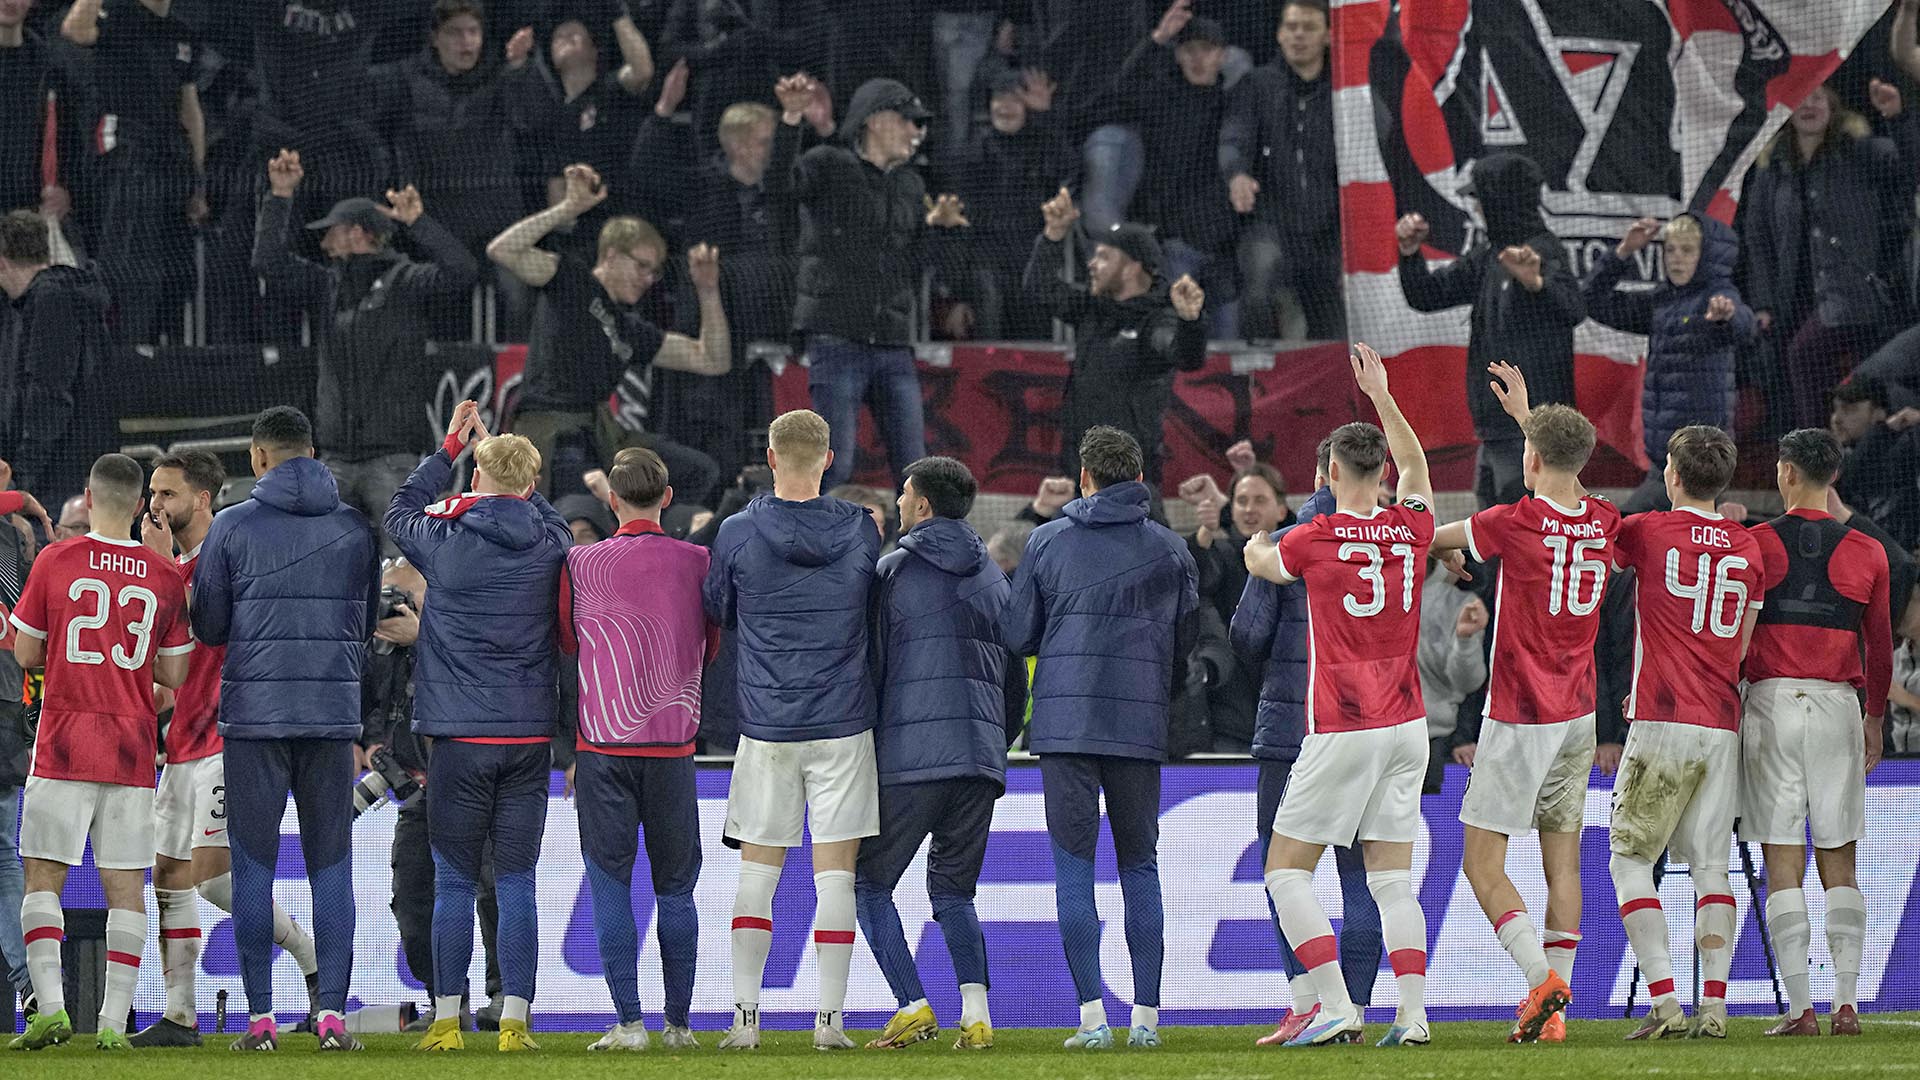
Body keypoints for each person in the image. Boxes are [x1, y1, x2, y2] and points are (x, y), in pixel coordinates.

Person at [1239, 342, 1434, 1047]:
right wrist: (1383, 397)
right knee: (1390, 880)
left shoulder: (1313, 538)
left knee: (1285, 870)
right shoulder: (1412, 527)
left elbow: (1263, 560)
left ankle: (1334, 1004)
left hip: (1344, 726)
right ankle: (1411, 1016)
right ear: (1381, 476)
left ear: (1328, 474)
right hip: (1410, 726)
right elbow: (1415, 465)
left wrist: (1257, 545)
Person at [1428, 362, 1618, 1043]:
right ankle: (1556, 1018)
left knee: (1482, 862)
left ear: (1530, 461)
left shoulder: (1514, 520)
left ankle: (1542, 982)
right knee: (1562, 864)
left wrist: (1446, 553)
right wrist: (1530, 422)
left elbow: (1429, 537)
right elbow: (1572, 477)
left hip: (1520, 715)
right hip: (1579, 715)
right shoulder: (1605, 519)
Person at [998, 425, 1199, 1050]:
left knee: (1073, 868)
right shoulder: (1171, 549)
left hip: (1064, 726)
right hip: (1138, 726)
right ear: (1138, 479)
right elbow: (1184, 643)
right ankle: (1146, 1019)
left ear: (1084, 477)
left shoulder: (1047, 540)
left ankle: (1091, 1019)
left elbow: (1017, 633)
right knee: (1140, 865)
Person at [191, 406, 380, 1051]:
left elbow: (209, 626)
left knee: (253, 870)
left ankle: (261, 1023)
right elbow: (363, 627)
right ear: (313, 452)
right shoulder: (356, 527)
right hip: (330, 719)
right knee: (332, 869)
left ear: (257, 456)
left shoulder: (229, 526)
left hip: (254, 722)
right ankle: (331, 1020)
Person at [384, 400, 569, 1052]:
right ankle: (515, 1019)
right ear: (532, 484)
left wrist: (453, 450)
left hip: (458, 736)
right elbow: (543, 513)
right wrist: (505, 460)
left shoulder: (446, 541)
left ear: (479, 481)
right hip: (525, 736)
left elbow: (398, 509)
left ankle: (446, 1021)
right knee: (516, 880)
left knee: (455, 880)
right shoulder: (550, 541)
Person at [703, 409, 882, 1051]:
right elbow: (875, 609)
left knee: (759, 873)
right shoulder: (863, 529)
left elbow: (716, 609)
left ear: (772, 458)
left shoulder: (737, 531)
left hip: (768, 723)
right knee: (835, 876)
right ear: (828, 459)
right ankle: (829, 1022)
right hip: (844, 722)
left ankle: (745, 1022)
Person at [132, 450, 321, 1047]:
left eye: (167, 494)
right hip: (182, 741)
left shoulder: (228, 551)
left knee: (214, 881)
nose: (155, 506)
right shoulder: (174, 565)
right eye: (152, 494)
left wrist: (163, 570)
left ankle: (313, 959)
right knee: (168, 875)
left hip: (228, 736)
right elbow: (176, 666)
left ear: (203, 498)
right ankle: (180, 1016)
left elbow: (209, 627)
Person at [9, 453, 193, 1050]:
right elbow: (176, 672)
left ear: (88, 497)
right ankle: (114, 1026)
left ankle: (52, 1011)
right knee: (124, 887)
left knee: (42, 876)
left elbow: (26, 655)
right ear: (141, 504)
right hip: (131, 747)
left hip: (63, 739)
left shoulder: (55, 560)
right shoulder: (165, 577)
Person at [1605, 426, 1767, 1041]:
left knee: (1629, 860)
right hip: (1721, 723)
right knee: (1712, 869)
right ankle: (1717, 1008)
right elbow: (1742, 649)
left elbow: (1596, 540)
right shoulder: (1749, 549)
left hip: (1663, 719)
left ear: (1672, 475)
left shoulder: (1648, 530)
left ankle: (1667, 1002)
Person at [857, 456, 1023, 1051]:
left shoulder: (895, 570)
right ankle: (977, 1017)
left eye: (903, 494)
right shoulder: (995, 577)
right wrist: (991, 745)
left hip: (911, 754)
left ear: (922, 504)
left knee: (868, 884)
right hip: (979, 759)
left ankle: (911, 1004)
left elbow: (871, 665)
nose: (898, 503)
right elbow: (1014, 681)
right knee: (954, 892)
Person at [1228, 436, 1384, 1044]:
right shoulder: (1396, 536)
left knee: (1282, 869)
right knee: (1364, 878)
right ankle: (1359, 1010)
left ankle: (1309, 1000)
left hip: (1292, 732)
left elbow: (1248, 636)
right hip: (1368, 724)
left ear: (1322, 472)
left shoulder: (1292, 539)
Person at [1741, 428, 1892, 1037]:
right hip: (1838, 709)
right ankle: (1848, 1003)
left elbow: (1733, 638)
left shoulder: (1753, 546)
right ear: (1834, 477)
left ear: (1785, 473)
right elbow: (1879, 648)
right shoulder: (1870, 552)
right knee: (1840, 857)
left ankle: (1800, 1008)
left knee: (1783, 858)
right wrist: (1874, 718)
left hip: (1770, 704)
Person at [558, 447, 710, 1052]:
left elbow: (569, 643)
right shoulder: (698, 559)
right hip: (674, 747)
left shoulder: (581, 562)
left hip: (603, 747)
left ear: (611, 501)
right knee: (676, 890)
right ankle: (679, 1026)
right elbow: (711, 643)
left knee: (610, 885)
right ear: (668, 497)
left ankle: (628, 1024)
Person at [252, 149, 480, 539]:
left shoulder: (404, 281)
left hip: (393, 458)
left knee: (403, 563)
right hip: (336, 457)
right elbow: (267, 262)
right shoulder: (327, 285)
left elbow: (463, 271)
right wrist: (279, 197)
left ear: (356, 232)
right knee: (320, 554)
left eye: (331, 231)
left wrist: (418, 223)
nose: (324, 242)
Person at [770, 73, 970, 489]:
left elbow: (916, 267)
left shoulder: (911, 185)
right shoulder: (828, 164)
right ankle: (818, 549)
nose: (919, 132)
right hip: (837, 338)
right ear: (876, 120)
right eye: (910, 121)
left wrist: (941, 231)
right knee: (834, 467)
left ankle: (912, 551)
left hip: (893, 343)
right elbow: (777, 189)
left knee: (916, 473)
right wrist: (791, 119)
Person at [487, 163, 731, 504]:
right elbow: (502, 250)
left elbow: (713, 359)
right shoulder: (571, 280)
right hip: (553, 432)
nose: (648, 278)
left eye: (655, 271)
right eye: (642, 265)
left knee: (698, 470)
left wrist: (708, 291)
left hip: (601, 434)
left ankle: (654, 541)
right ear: (612, 255)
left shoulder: (629, 328)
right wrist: (567, 209)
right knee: (582, 498)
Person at [1397, 152, 1585, 507]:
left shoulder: (1543, 251)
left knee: (1518, 533)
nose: (1478, 208)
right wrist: (1410, 253)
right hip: (1496, 427)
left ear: (1501, 199)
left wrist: (1537, 283)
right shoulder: (1490, 255)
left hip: (1531, 431)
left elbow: (1574, 308)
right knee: (1488, 533)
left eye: (1481, 198)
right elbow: (1427, 294)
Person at [1743, 85, 1910, 431]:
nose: (1808, 105)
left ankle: (1822, 454)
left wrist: (1897, 118)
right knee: (1799, 368)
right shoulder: (1771, 168)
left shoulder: (1858, 152)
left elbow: (1907, 163)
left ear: (1833, 107)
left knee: (1809, 358)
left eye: (1817, 97)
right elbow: (1757, 238)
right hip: (1793, 298)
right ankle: (1820, 452)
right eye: (1800, 97)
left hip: (1855, 296)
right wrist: (1762, 303)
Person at [1023, 188, 1207, 490]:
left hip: (1129, 477)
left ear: (1133, 266)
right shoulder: (1094, 308)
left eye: (1104, 256)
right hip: (1079, 469)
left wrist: (1191, 322)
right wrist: (1053, 236)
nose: (1092, 264)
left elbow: (1184, 355)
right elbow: (1039, 289)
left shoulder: (1157, 318)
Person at [374, 1, 536, 338]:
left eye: (473, 32)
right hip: (434, 225)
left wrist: (519, 68)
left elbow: (530, 122)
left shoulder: (501, 75)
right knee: (423, 298)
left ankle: (518, 381)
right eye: (455, 33)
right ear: (435, 37)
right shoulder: (403, 80)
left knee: (520, 293)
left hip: (495, 222)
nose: (466, 41)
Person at [1582, 214, 1756, 514]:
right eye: (1670, 250)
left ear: (1707, 256)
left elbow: (1744, 325)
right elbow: (1593, 301)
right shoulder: (1661, 302)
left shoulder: (1718, 296)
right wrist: (1624, 251)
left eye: (1687, 250)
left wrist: (1727, 315)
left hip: (1699, 463)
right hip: (1663, 462)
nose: (1676, 259)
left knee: (1628, 526)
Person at [59, 0, 205, 344]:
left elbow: (191, 110)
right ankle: (111, 350)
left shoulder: (182, 33)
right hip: (123, 152)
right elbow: (74, 30)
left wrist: (198, 182)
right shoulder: (115, 12)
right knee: (124, 263)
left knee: (173, 271)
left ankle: (153, 353)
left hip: (171, 161)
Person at [1220, 0, 1340, 341]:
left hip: (1327, 230)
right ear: (1279, 34)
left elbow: (1378, 137)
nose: (1298, 35)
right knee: (1257, 283)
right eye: (1291, 27)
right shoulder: (1256, 85)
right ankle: (1257, 377)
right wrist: (1237, 174)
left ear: (1329, 36)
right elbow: (1234, 138)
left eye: (1309, 27)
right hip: (1270, 223)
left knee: (1334, 323)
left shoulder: (1344, 91)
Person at [0, 210, 115, 507]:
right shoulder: (49, 298)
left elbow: (49, 396)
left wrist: (23, 481)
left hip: (54, 483)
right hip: (69, 474)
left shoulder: (51, 301)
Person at [1830, 377, 1920, 551]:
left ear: (1879, 413)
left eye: (1849, 410)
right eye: (1835, 410)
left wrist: (1883, 430)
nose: (1837, 419)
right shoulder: (1838, 454)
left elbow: (1850, 480)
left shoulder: (1899, 449)